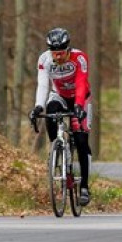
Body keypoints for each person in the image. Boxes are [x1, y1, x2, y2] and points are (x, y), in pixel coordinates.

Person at [29, 27, 93, 206]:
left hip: (81, 98)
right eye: (54, 53)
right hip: (59, 95)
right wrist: (37, 107)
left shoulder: (80, 58)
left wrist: (79, 106)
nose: (57, 57)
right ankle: (57, 148)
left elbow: (81, 83)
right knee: (50, 111)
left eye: (61, 54)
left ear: (68, 50)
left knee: (81, 140)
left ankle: (85, 187)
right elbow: (43, 85)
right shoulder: (44, 59)